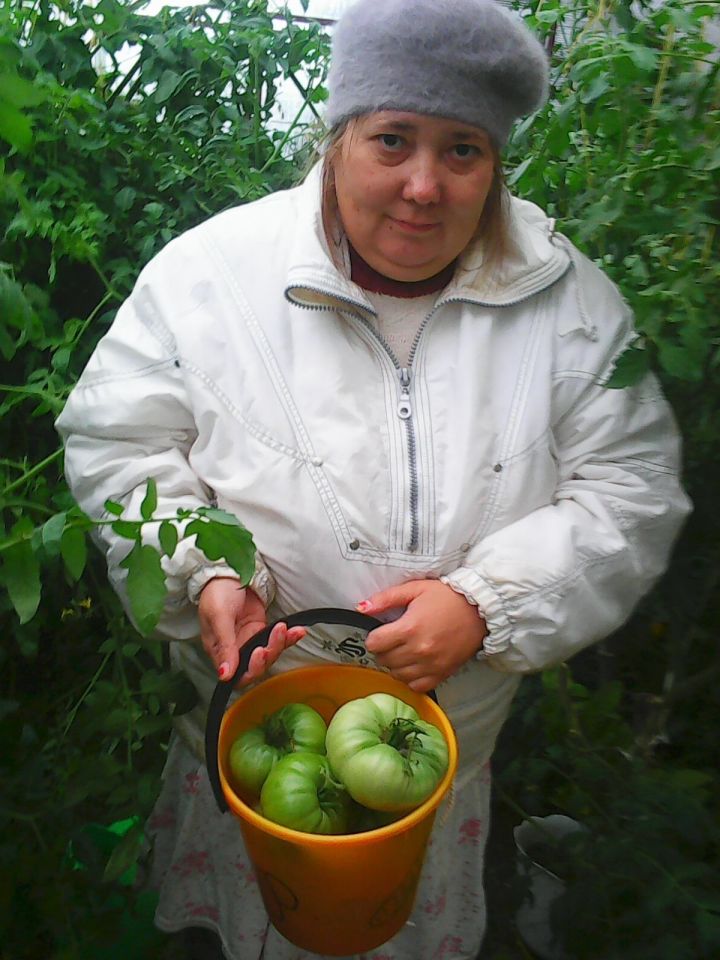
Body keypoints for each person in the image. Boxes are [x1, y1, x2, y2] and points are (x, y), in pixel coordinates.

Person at [55, 1, 691, 958]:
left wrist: (486, 604)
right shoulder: (212, 278)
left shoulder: (569, 304)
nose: (423, 186)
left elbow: (632, 490)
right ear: (339, 135)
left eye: (463, 149)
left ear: (497, 163)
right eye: (392, 139)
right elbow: (119, 442)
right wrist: (204, 573)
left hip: (438, 747)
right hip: (251, 728)